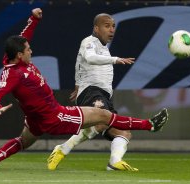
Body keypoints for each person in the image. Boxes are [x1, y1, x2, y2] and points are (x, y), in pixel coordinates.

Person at [0, 8, 169, 171]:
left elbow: (23, 36)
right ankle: (149, 125)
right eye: (28, 50)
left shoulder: (12, 57)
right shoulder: (13, 74)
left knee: (21, 142)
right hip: (54, 117)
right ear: (19, 55)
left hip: (35, 119)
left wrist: (33, 20)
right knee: (103, 115)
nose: (31, 51)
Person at [47, 13, 140, 172]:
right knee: (102, 120)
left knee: (124, 132)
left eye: (113, 26)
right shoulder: (89, 42)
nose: (111, 30)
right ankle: (63, 149)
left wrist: (77, 85)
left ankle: (114, 162)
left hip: (104, 95)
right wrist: (115, 59)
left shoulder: (103, 48)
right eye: (106, 25)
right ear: (96, 28)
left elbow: (79, 62)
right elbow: (89, 58)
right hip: (91, 91)